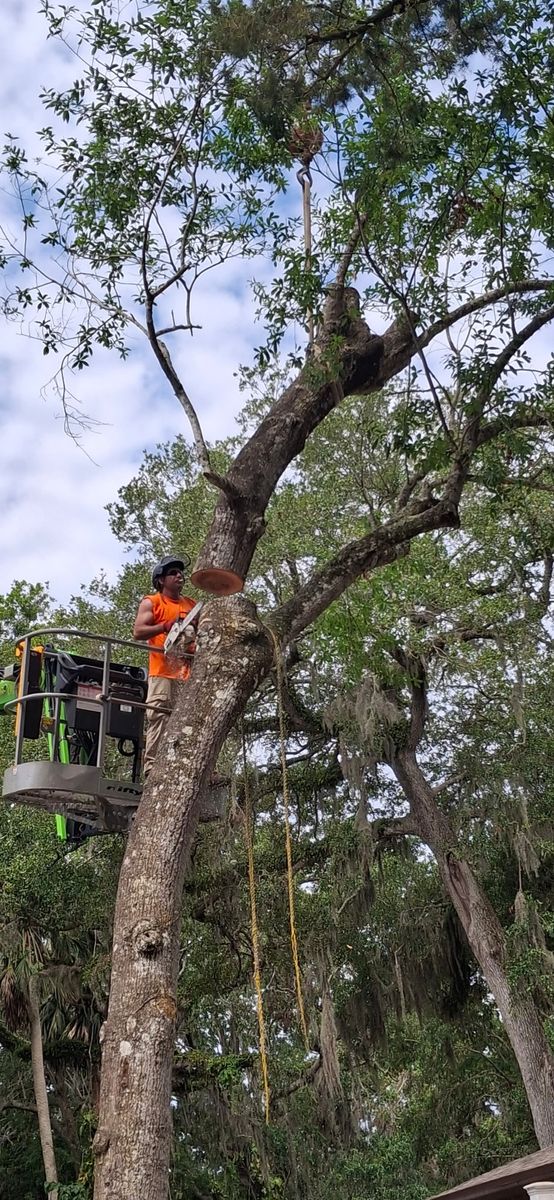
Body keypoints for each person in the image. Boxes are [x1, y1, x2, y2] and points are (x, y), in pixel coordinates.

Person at [133, 554, 196, 776]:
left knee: (191, 719)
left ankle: (190, 766)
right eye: (173, 573)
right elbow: (138, 631)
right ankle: (152, 766)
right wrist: (164, 626)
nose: (179, 575)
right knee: (159, 714)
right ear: (161, 580)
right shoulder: (152, 602)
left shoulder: (192, 606)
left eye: (180, 572)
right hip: (161, 672)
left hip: (186, 674)